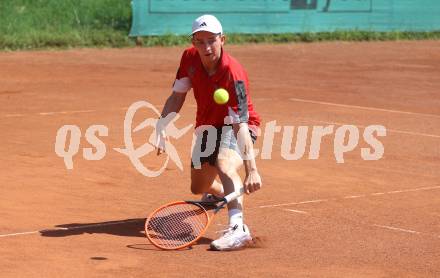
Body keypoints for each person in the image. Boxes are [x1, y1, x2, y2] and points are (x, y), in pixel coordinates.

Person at [155, 14, 262, 251]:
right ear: (193, 43)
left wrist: (251, 170)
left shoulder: (233, 74)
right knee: (199, 187)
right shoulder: (189, 59)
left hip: (240, 125)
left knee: (225, 163)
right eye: (200, 41)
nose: (206, 47)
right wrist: (162, 125)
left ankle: (238, 229)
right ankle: (223, 194)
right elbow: (177, 96)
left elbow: (239, 125)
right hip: (207, 127)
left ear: (222, 39)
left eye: (211, 40)